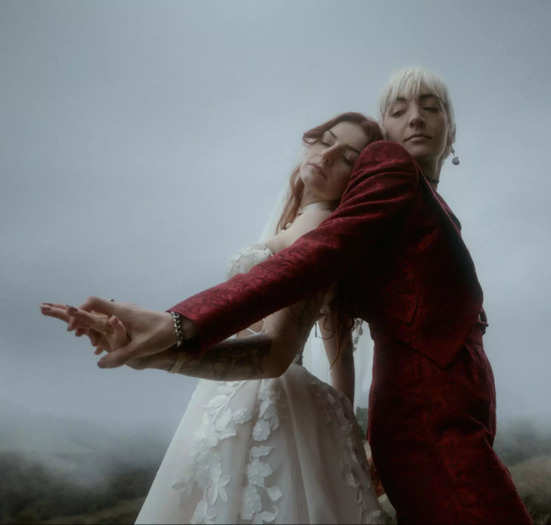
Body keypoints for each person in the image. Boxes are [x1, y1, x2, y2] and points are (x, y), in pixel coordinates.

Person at [44, 67, 532, 523]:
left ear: (452, 127)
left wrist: (351, 440)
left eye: (431, 106)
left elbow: (336, 332)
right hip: (427, 424)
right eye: (399, 108)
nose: (416, 118)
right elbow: (316, 256)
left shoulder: (428, 212)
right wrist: (179, 324)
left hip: (443, 422)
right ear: (383, 135)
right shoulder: (387, 169)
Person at [42, 112, 388, 524]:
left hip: (271, 404)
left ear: (355, 181)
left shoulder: (322, 233)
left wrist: (155, 350)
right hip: (239, 400)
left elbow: (278, 353)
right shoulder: (299, 222)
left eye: (347, 157)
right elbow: (339, 347)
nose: (327, 155)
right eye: (325, 140)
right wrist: (344, 431)